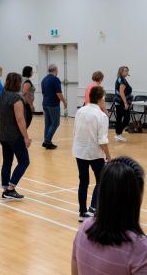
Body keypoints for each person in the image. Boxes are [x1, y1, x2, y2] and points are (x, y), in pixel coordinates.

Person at [72, 86, 111, 222]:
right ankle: (93, 208)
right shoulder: (101, 116)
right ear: (101, 99)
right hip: (95, 153)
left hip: (80, 151)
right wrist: (108, 155)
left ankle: (82, 212)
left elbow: (75, 132)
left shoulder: (80, 111)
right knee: (101, 180)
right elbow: (102, 140)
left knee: (83, 181)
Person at [0, 72, 31, 200]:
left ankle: (5, 188)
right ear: (17, 83)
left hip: (4, 134)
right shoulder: (16, 99)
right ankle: (11, 188)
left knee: (7, 161)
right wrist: (26, 137)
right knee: (24, 161)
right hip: (14, 136)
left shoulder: (2, 95)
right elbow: (20, 118)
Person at [41, 64, 67, 149]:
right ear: (55, 70)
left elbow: (43, 92)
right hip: (53, 104)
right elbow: (58, 93)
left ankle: (47, 141)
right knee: (55, 123)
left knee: (48, 124)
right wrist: (64, 101)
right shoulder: (55, 80)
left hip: (45, 103)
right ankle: (47, 141)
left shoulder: (44, 79)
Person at [114, 66, 133, 142]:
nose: (127, 72)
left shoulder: (120, 79)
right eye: (126, 71)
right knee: (127, 118)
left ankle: (118, 134)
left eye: (128, 71)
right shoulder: (122, 80)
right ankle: (118, 133)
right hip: (121, 103)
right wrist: (125, 103)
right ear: (121, 72)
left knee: (119, 119)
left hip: (118, 102)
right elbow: (121, 92)